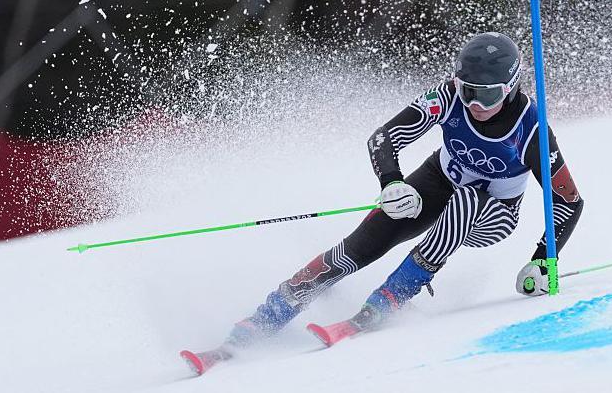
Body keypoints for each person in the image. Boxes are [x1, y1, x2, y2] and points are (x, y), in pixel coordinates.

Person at [194, 32, 584, 364]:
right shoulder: (448, 97)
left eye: (489, 95)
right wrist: (392, 183)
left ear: (511, 87)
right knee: (361, 245)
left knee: (465, 200)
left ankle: (393, 296)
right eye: (469, 92)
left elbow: (570, 201)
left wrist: (543, 260)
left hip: (495, 212)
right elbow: (383, 138)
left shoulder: (531, 128)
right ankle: (268, 316)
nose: (475, 106)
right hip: (439, 179)